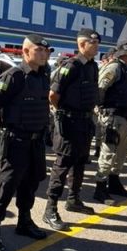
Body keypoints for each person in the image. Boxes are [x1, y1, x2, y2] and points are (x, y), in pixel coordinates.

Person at [0, 34, 52, 251]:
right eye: (39, 50)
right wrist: (4, 129)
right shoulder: (12, 76)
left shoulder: (44, 75)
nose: (44, 54)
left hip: (36, 142)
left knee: (31, 183)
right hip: (15, 141)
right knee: (5, 186)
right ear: (25, 52)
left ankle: (24, 221)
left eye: (46, 50)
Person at [42, 28, 100, 230]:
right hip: (68, 122)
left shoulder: (93, 66)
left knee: (80, 162)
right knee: (62, 164)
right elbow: (53, 95)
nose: (97, 46)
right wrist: (63, 113)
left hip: (85, 122)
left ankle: (74, 199)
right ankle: (50, 209)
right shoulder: (71, 66)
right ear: (82, 44)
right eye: (93, 43)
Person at [93, 39, 127, 202]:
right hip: (113, 116)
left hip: (126, 116)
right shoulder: (114, 67)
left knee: (121, 152)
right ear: (126, 53)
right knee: (108, 152)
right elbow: (100, 89)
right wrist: (102, 110)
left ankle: (114, 182)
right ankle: (100, 187)